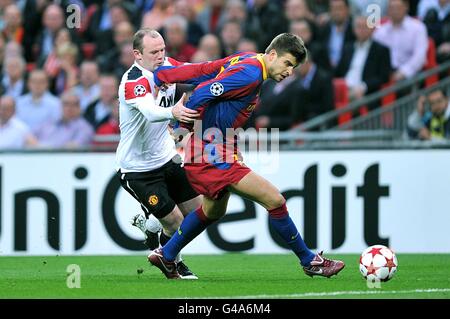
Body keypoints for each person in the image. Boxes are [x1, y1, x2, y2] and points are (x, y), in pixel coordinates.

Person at [148, 33, 346, 279]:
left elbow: (205, 69)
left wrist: (165, 75)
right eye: (287, 63)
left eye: (293, 68)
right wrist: (181, 128)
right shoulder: (250, 73)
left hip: (214, 148)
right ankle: (309, 261)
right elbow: (203, 92)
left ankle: (166, 255)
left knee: (213, 211)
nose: (289, 72)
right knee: (274, 200)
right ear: (272, 55)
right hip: (211, 152)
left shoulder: (248, 61)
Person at [116, 29, 203, 279]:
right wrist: (174, 113)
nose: (160, 56)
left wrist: (229, 73)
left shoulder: (168, 67)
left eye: (163, 50)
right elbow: (151, 112)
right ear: (137, 54)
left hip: (167, 158)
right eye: (154, 52)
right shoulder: (133, 81)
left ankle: (153, 228)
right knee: (175, 222)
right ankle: (173, 262)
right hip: (138, 170)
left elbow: (197, 71)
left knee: (197, 214)